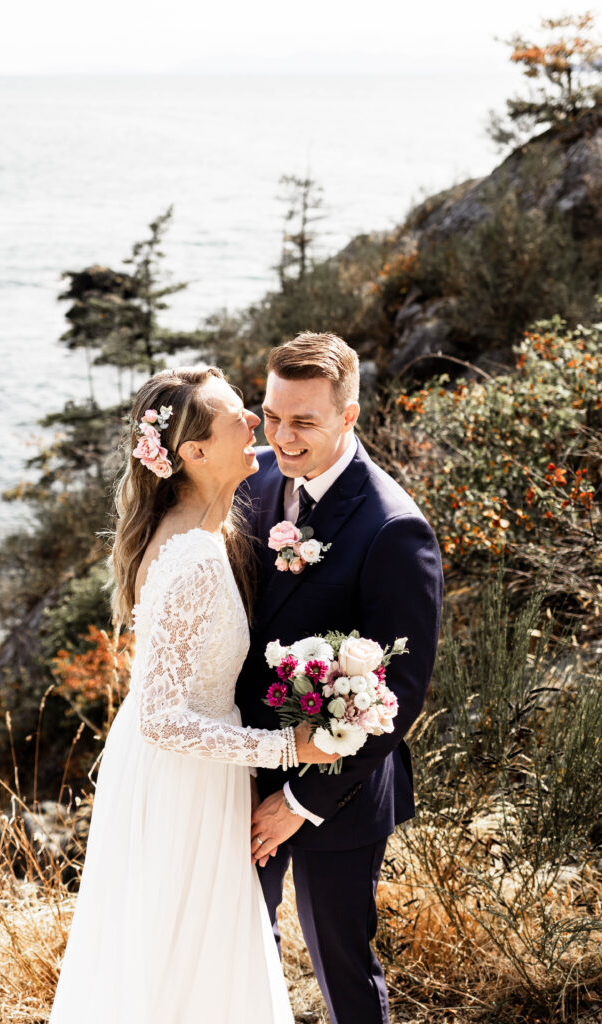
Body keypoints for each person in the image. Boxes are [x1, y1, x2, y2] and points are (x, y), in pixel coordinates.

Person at [48, 366, 336, 1024]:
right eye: (235, 415)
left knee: (190, 948)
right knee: (178, 955)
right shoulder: (192, 557)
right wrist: (285, 747)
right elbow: (160, 720)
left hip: (195, 769)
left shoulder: (206, 528)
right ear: (193, 453)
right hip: (180, 776)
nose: (253, 422)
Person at [235, 332, 444, 1024]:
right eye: (270, 415)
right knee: (240, 948)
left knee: (343, 972)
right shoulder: (256, 477)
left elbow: (398, 695)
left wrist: (297, 800)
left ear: (348, 415)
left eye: (303, 421)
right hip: (242, 770)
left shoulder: (393, 528)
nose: (280, 437)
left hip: (336, 797)